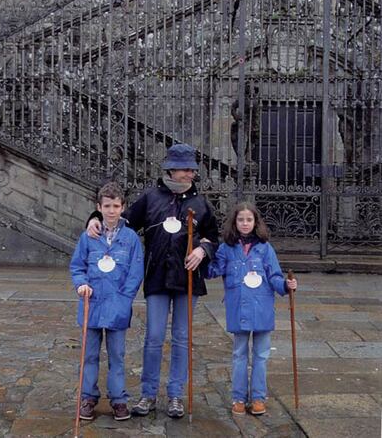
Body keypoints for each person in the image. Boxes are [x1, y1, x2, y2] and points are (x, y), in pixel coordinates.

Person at [86, 143, 219, 418]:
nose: (191, 174)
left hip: (189, 280)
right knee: (154, 337)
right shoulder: (150, 198)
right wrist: (94, 218)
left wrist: (202, 249)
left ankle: (175, 395)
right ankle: (148, 394)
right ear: (171, 169)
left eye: (193, 170)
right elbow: (121, 222)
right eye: (186, 169)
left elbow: (214, 237)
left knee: (182, 338)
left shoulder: (201, 203)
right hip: (157, 278)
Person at [206, 201, 297, 416]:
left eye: (249, 220)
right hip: (238, 308)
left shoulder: (265, 249)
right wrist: (199, 258)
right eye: (240, 220)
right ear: (234, 222)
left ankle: (258, 396)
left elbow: (274, 275)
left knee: (261, 355)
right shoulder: (226, 249)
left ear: (256, 222)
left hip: (262, 306)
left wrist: (285, 285)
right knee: (239, 354)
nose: (245, 224)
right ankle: (238, 397)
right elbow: (214, 270)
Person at [70, 181, 144, 422]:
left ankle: (119, 399)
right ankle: (88, 397)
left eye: (116, 206)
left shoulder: (131, 239)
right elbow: (77, 265)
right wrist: (80, 283)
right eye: (107, 206)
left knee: (117, 356)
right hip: (91, 303)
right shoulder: (88, 236)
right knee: (89, 355)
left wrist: (125, 299)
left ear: (123, 208)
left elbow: (135, 272)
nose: (111, 211)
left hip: (117, 305)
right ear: (98, 207)